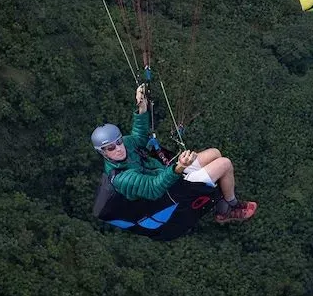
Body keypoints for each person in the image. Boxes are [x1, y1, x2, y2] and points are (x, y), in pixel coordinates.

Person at [91, 86, 256, 224]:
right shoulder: (122, 178)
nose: (118, 148)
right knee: (224, 164)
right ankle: (230, 206)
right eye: (110, 148)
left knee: (215, 153)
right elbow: (153, 188)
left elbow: (139, 138)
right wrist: (179, 167)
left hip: (169, 173)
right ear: (102, 153)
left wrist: (142, 108)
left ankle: (219, 200)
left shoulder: (126, 145)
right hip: (171, 192)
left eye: (119, 141)